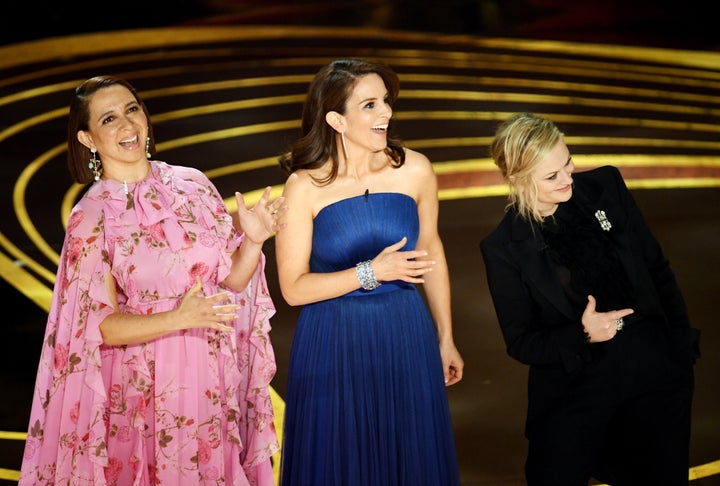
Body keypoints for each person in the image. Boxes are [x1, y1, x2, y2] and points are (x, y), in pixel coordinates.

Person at [19, 75, 285, 486]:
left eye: (132, 109)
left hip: (212, 375)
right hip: (143, 390)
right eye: (109, 119)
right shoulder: (90, 219)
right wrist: (180, 318)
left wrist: (253, 240)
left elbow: (230, 281)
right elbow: (100, 327)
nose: (127, 125)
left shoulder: (193, 184)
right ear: (88, 139)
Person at [480, 112, 701, 486]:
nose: (568, 179)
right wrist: (582, 334)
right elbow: (521, 341)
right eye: (551, 176)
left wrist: (680, 346)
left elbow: (656, 267)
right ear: (517, 179)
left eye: (568, 162)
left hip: (652, 366)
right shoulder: (503, 248)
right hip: (576, 382)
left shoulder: (606, 186)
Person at [274, 58, 464, 485]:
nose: (387, 114)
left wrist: (446, 337)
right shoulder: (303, 187)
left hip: (405, 333)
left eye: (386, 102)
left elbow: (430, 250)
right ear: (336, 120)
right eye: (370, 105)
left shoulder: (415, 170)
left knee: (408, 458)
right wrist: (371, 272)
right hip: (333, 343)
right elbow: (293, 288)